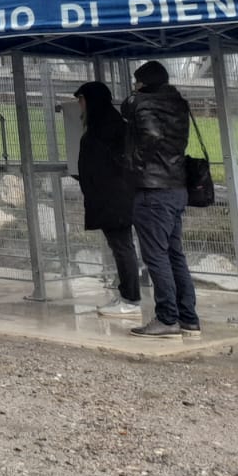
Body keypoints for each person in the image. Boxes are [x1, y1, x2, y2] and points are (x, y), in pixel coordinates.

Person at [121, 61, 199, 338]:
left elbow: (149, 132)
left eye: (137, 81)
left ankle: (167, 318)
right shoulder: (178, 104)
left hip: (152, 190)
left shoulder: (141, 104)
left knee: (155, 256)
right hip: (176, 187)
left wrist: (136, 164)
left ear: (143, 82)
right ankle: (188, 317)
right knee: (175, 254)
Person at [72, 81, 140, 317]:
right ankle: (129, 294)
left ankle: (130, 298)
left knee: (122, 247)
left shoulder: (102, 128)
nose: (79, 105)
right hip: (116, 196)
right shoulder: (114, 124)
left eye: (81, 100)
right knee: (123, 247)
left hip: (113, 198)